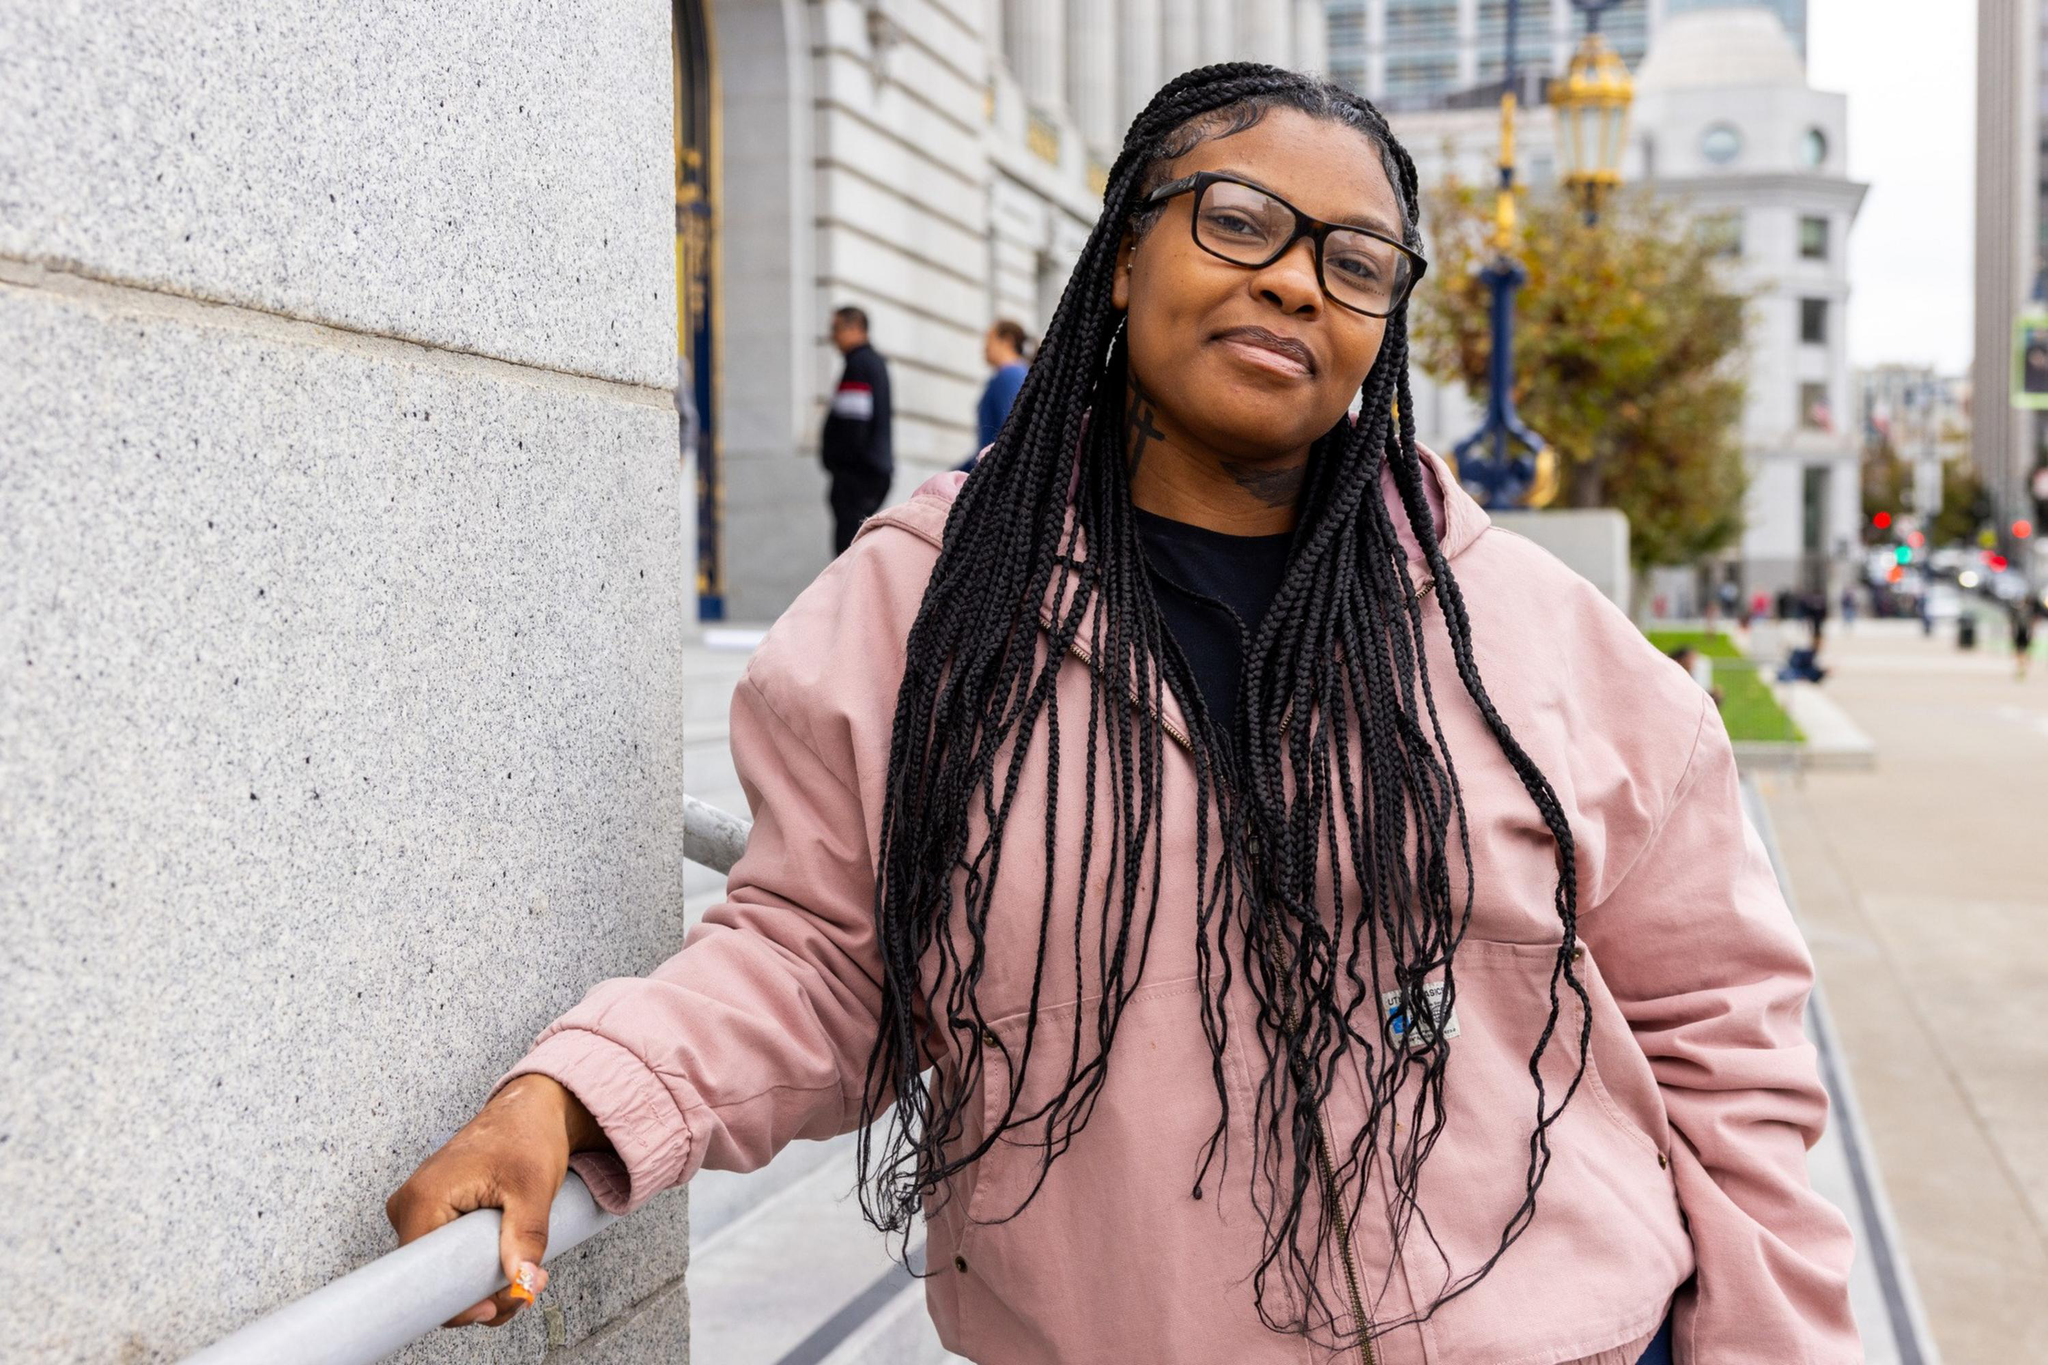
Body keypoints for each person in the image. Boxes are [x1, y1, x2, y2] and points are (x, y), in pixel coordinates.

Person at [387, 66, 1856, 1363]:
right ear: (1127, 243)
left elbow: (1724, 1041)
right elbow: (825, 956)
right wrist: (582, 1091)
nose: (1293, 282)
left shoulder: (1537, 637)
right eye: (1237, 221)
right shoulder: (921, 613)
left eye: (1356, 263)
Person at [821, 305, 893, 555]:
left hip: (858, 478)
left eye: (836, 329)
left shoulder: (859, 365)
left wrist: (841, 467)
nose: (832, 336)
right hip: (870, 474)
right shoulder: (872, 362)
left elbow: (854, 428)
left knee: (847, 553)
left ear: (855, 328)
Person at [965, 319, 1030, 470]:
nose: (984, 347)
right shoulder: (1021, 374)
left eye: (989, 339)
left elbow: (1010, 438)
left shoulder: (1009, 376)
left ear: (1007, 341)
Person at [2015, 600, 2036, 680]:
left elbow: (2031, 623)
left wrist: (2031, 632)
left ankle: (2024, 665)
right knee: (2020, 651)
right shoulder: (2017, 612)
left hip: (2025, 633)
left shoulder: (2029, 612)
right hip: (2020, 633)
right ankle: (2021, 665)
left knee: (2024, 650)